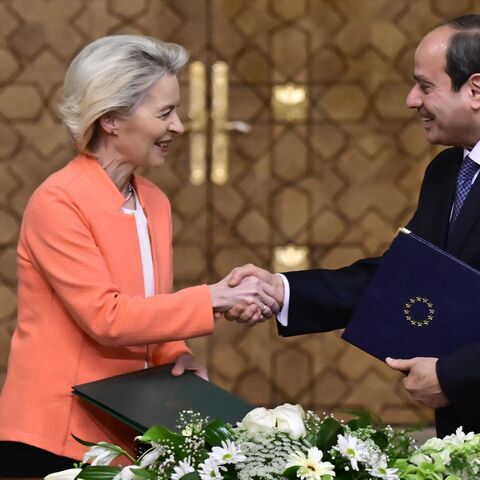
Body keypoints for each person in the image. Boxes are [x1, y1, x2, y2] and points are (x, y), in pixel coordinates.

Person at [0, 35, 279, 477]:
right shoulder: (58, 201)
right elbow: (107, 317)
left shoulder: (153, 200)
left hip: (125, 430)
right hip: (56, 436)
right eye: (165, 113)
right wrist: (213, 298)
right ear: (111, 119)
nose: (179, 127)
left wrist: (176, 355)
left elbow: (149, 306)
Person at [226, 14, 480, 437]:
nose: (411, 100)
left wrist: (455, 376)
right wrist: (283, 290)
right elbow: (404, 277)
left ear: (475, 89)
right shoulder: (446, 171)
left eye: (425, 85)